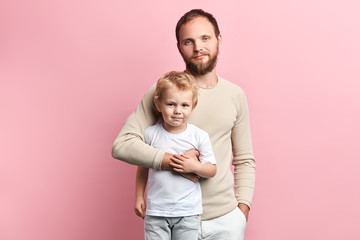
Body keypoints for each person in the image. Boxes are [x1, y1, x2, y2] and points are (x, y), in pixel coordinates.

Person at [112, 9, 255, 240]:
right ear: (179, 47)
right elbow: (122, 145)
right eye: (189, 41)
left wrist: (242, 211)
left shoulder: (235, 95)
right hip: (172, 219)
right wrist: (176, 163)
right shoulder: (164, 91)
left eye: (205, 38)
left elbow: (245, 159)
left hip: (225, 219)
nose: (198, 47)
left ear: (219, 40)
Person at [134, 71, 217, 240]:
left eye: (184, 105)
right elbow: (143, 166)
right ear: (158, 105)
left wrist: (194, 167)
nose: (178, 111)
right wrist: (138, 196)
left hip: (188, 213)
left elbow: (211, 169)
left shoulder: (199, 136)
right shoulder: (150, 134)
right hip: (156, 211)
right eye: (171, 104)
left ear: (193, 106)